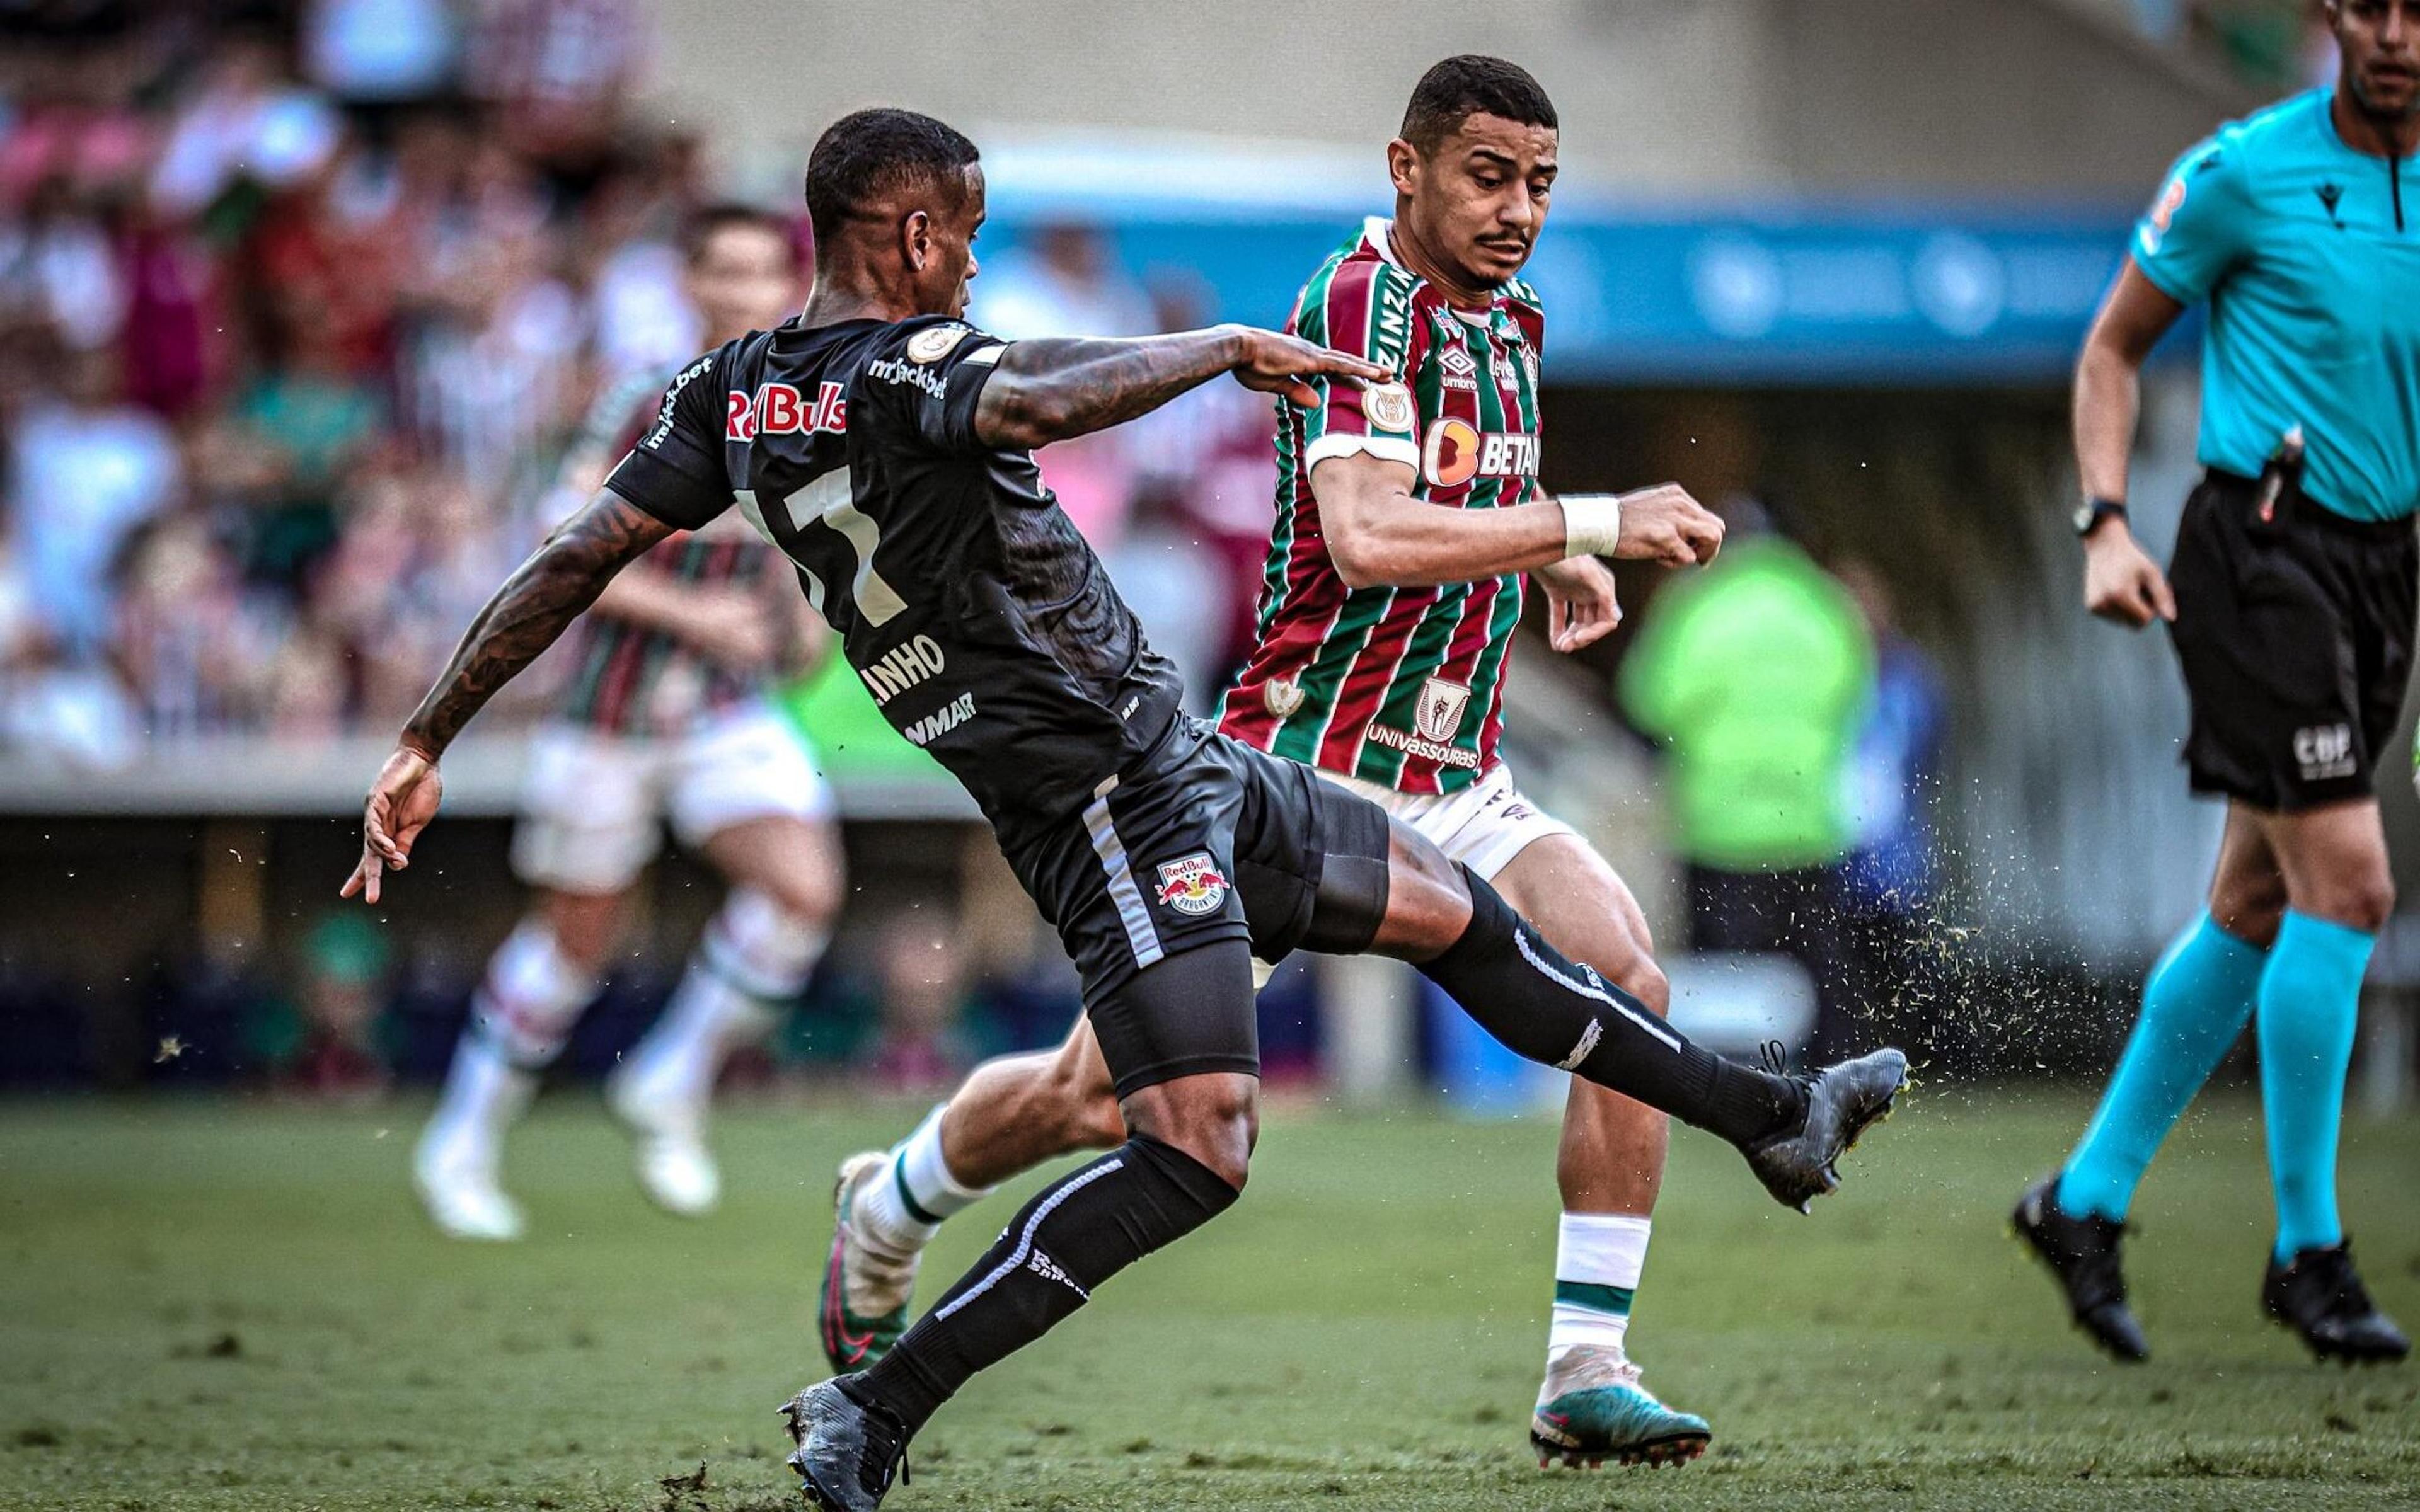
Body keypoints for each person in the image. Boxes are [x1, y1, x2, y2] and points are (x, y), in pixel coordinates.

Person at [341, 108, 1908, 1512]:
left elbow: (570, 556)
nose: (969, 263)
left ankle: (1769, 1114)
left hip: (1188, 762)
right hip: (1099, 796)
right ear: (911, 234)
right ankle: (872, 1400)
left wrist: (426, 733)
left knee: (1457, 914)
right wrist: (1220, 348)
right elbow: (1028, 399)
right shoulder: (912, 365)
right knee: (1195, 1144)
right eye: (961, 231)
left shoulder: (732, 396)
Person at [815, 56, 1770, 1472]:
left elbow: (1475, 500)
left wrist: (1557, 556)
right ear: (1409, 167)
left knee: (1622, 972)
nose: (1519, 211)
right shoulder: (1352, 301)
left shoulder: (1512, 322)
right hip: (1294, 763)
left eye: (1542, 185)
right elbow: (1373, 537)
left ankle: (1586, 1363)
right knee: (1102, 1100)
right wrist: (1595, 518)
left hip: (1456, 767)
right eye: (1490, 177)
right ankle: (890, 1199)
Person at [2013, 0, 2417, 1367]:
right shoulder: (2243, 168)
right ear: (2330, 19)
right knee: (2350, 884)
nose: (2400, 32)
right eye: (2373, 5)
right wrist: (2106, 522)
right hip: (2260, 557)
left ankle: (2083, 1203)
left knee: (2257, 898)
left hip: (2384, 573)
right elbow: (2113, 348)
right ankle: (2308, 1249)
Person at [410, 205, 842, 1240]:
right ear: (689, 285)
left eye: (760, 273)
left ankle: (671, 1078)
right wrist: (695, 611)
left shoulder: (810, 417)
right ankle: (461, 1140)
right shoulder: (645, 399)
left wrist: (795, 626)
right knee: (575, 944)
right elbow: (561, 544)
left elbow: (807, 584)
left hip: (724, 710)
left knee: (803, 890)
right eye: (722, 271)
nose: (742, 292)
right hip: (606, 712)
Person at [1618, 505, 1876, 1059]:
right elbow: (1859, 696)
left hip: (1720, 824)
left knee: (1727, 980)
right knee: (1823, 974)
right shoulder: (1824, 604)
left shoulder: (1698, 607)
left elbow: (1651, 702)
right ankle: (1838, 1083)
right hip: (1809, 822)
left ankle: (1734, 1086)